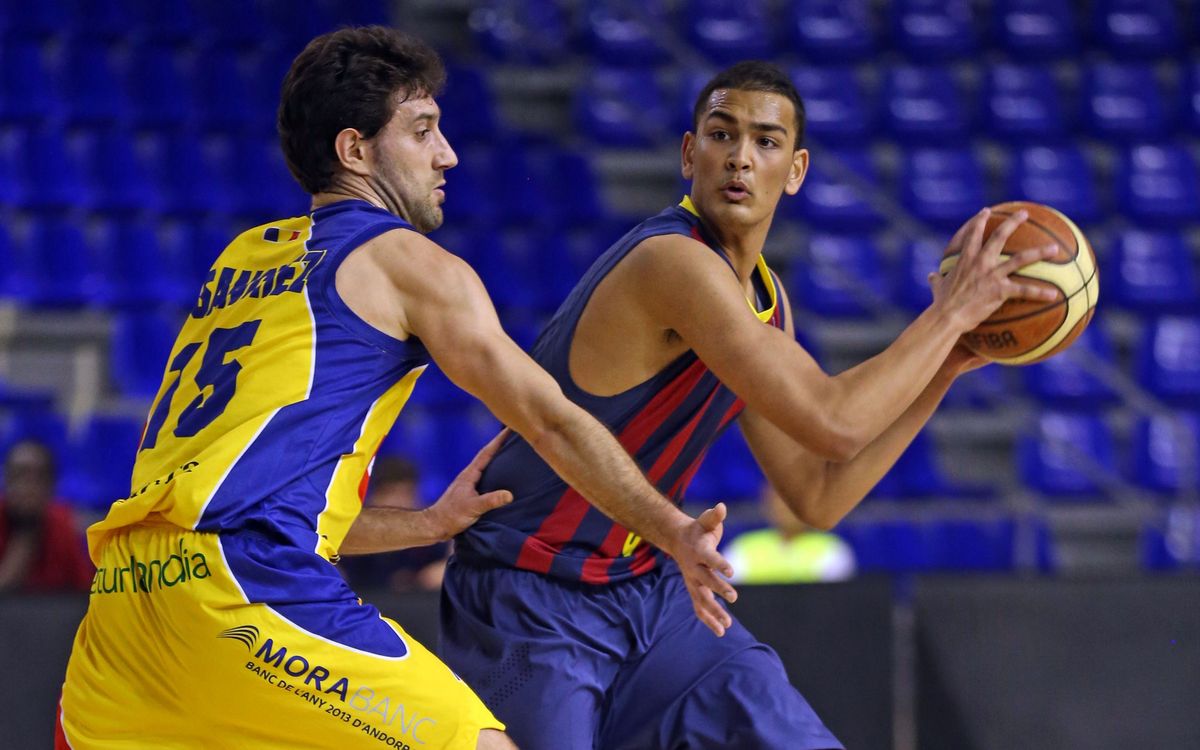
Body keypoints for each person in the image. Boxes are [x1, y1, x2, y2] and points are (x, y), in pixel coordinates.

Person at [58, 27, 736, 750]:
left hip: (126, 608)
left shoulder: (241, 261)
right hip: (242, 593)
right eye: (422, 130)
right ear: (355, 150)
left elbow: (243, 489)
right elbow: (551, 420)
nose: (448, 153)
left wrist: (425, 524)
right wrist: (672, 532)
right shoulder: (408, 263)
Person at [439, 61, 1060, 749]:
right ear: (688, 154)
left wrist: (949, 361)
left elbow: (816, 493)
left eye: (765, 142)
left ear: (794, 171)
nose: (740, 157)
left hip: (651, 592)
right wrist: (946, 316)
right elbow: (834, 421)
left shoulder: (764, 299)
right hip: (530, 594)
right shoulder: (673, 264)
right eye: (721, 134)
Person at [339, 456, 449, 592]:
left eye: (405, 494)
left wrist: (444, 571)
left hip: (418, 606)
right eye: (391, 493)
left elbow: (446, 565)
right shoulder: (351, 532)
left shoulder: (432, 533)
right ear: (374, 497)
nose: (398, 503)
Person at [0, 439, 92, 594]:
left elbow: (84, 596)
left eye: (38, 478)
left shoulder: (64, 528)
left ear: (51, 487)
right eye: (19, 476)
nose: (28, 487)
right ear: (6, 482)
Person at [724, 483, 856, 584]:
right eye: (779, 499)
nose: (785, 508)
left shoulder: (832, 548)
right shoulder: (742, 547)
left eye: (793, 501)